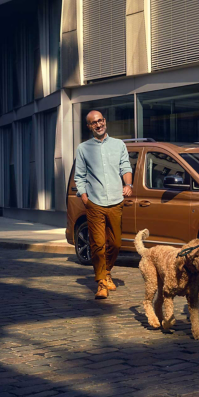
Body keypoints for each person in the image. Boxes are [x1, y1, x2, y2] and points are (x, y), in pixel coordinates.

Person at [74, 110, 133, 299]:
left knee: (115, 243)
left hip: (116, 201)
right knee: (97, 244)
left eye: (100, 121)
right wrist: (84, 196)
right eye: (94, 123)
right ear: (89, 126)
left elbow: (126, 167)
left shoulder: (119, 145)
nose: (98, 125)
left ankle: (107, 271)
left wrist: (128, 184)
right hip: (95, 202)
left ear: (105, 121)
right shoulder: (83, 148)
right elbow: (79, 176)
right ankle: (101, 282)